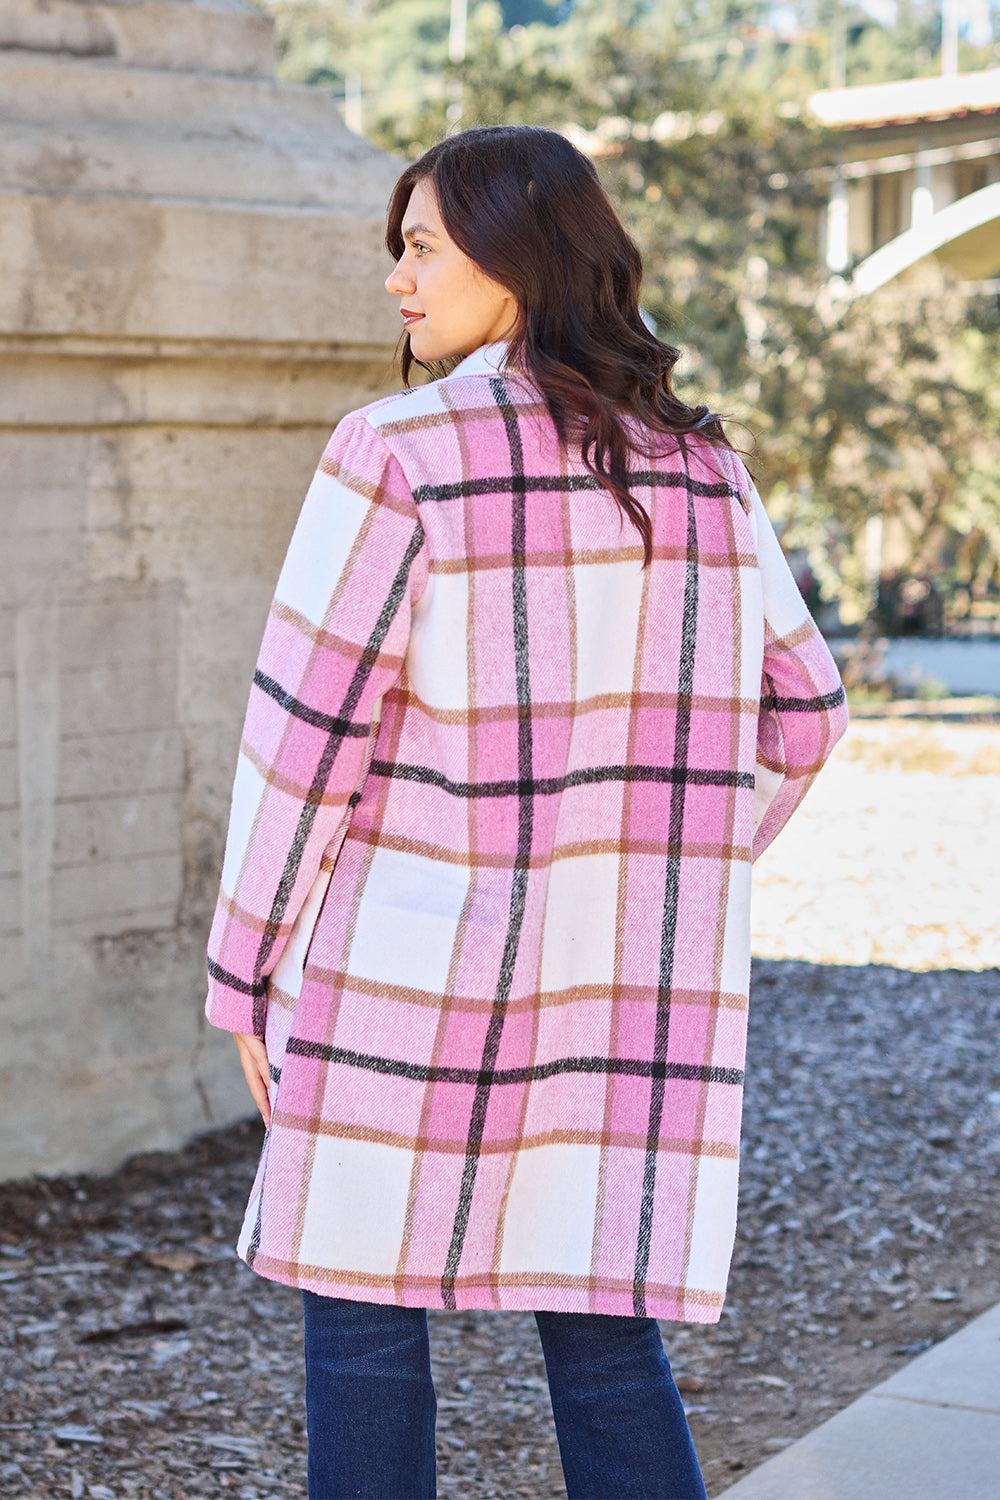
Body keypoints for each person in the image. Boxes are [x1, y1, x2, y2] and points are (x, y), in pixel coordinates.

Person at [205, 124, 848, 1500]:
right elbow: (807, 706)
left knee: (364, 1325)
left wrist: (246, 968)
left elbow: (304, 737)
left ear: (516, 254)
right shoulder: (700, 466)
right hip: (621, 975)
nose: (398, 276)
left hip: (398, 959)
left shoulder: (395, 452)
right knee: (609, 1344)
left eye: (424, 243)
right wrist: (672, 861)